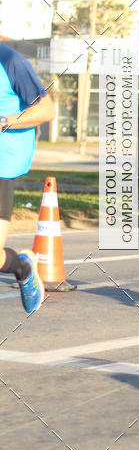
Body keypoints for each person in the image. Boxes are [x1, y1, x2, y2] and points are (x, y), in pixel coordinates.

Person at [0, 43, 55, 312]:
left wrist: (4, 120)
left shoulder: (10, 60)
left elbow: (47, 110)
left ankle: (22, 268)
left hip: (2, 161)